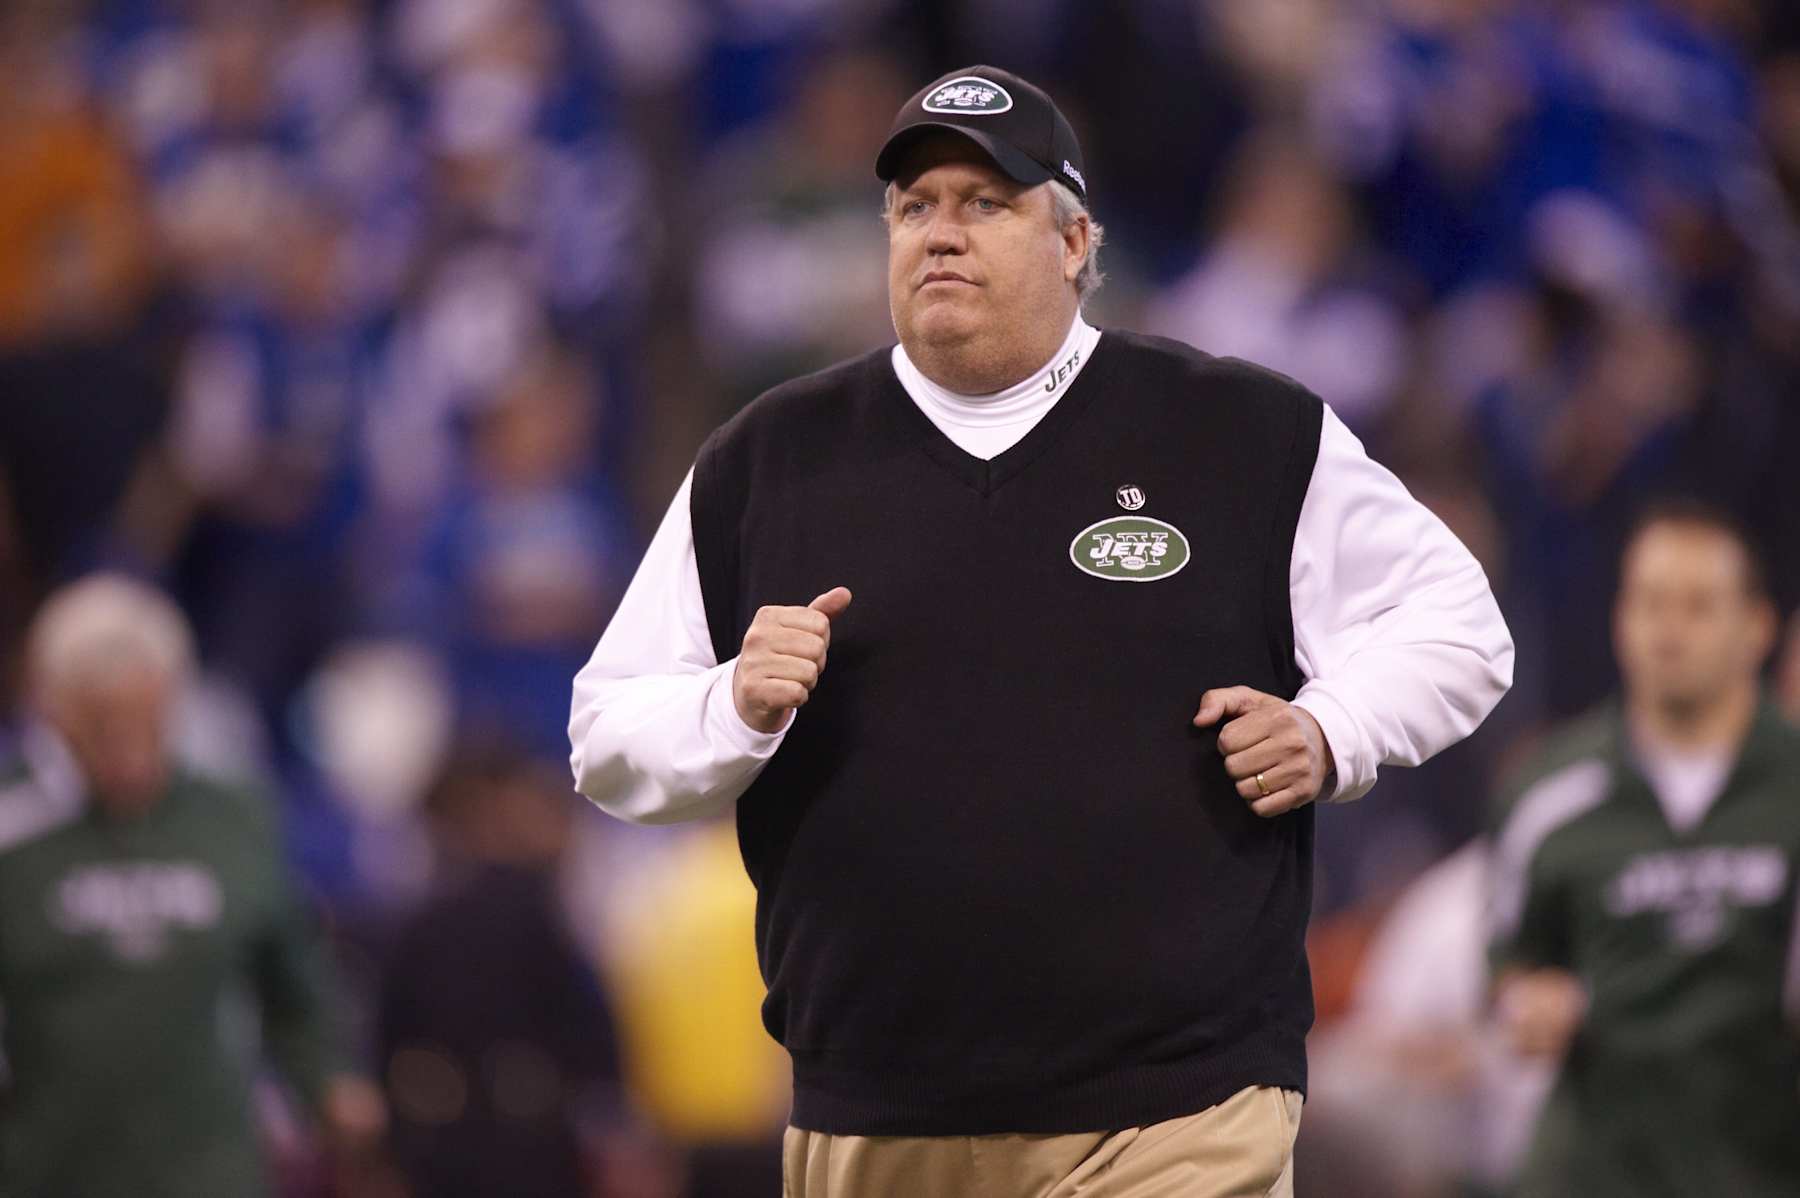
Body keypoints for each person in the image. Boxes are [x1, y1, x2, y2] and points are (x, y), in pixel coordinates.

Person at [571, 65, 1513, 1198]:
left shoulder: (1238, 432)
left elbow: (1460, 624)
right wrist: (731, 704)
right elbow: (606, 735)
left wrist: (1333, 728)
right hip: (878, 1119)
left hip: (1177, 1109)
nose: (942, 234)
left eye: (985, 202)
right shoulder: (768, 460)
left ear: (1074, 242)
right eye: (916, 206)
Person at [0, 574, 385, 1196]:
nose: (129, 754)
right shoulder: (13, 832)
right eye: (102, 727)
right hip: (50, 1168)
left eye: (145, 723)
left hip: (208, 1169)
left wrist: (330, 1083)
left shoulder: (231, 817)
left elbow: (293, 977)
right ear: (55, 713)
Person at [1488, 500, 1800, 1196]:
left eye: (1697, 606)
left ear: (1757, 626)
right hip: (1596, 1168)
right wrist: (1528, 1002)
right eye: (1650, 602)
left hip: (1763, 1164)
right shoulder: (1550, 793)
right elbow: (1509, 959)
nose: (1668, 630)